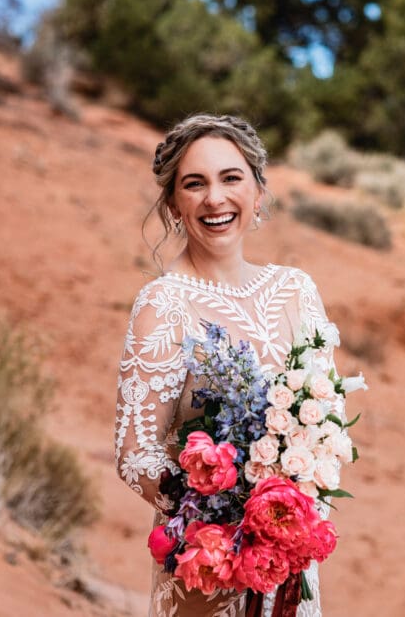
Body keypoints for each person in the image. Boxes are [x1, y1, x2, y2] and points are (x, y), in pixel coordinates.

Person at [114, 114, 339, 617]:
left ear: (258, 192)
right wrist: (229, 514)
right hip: (209, 569)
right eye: (195, 184)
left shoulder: (297, 291)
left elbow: (326, 421)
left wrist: (293, 513)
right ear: (174, 204)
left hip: (288, 565)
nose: (215, 198)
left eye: (231, 178)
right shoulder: (163, 305)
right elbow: (134, 456)